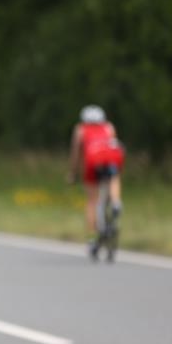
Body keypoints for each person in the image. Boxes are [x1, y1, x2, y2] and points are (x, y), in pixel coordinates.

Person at [67, 104, 124, 244]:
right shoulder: (109, 127)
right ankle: (116, 201)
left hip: (92, 164)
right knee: (114, 178)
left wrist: (72, 173)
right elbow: (114, 144)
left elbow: (75, 154)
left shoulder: (80, 129)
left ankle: (91, 237)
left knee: (91, 201)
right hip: (110, 161)